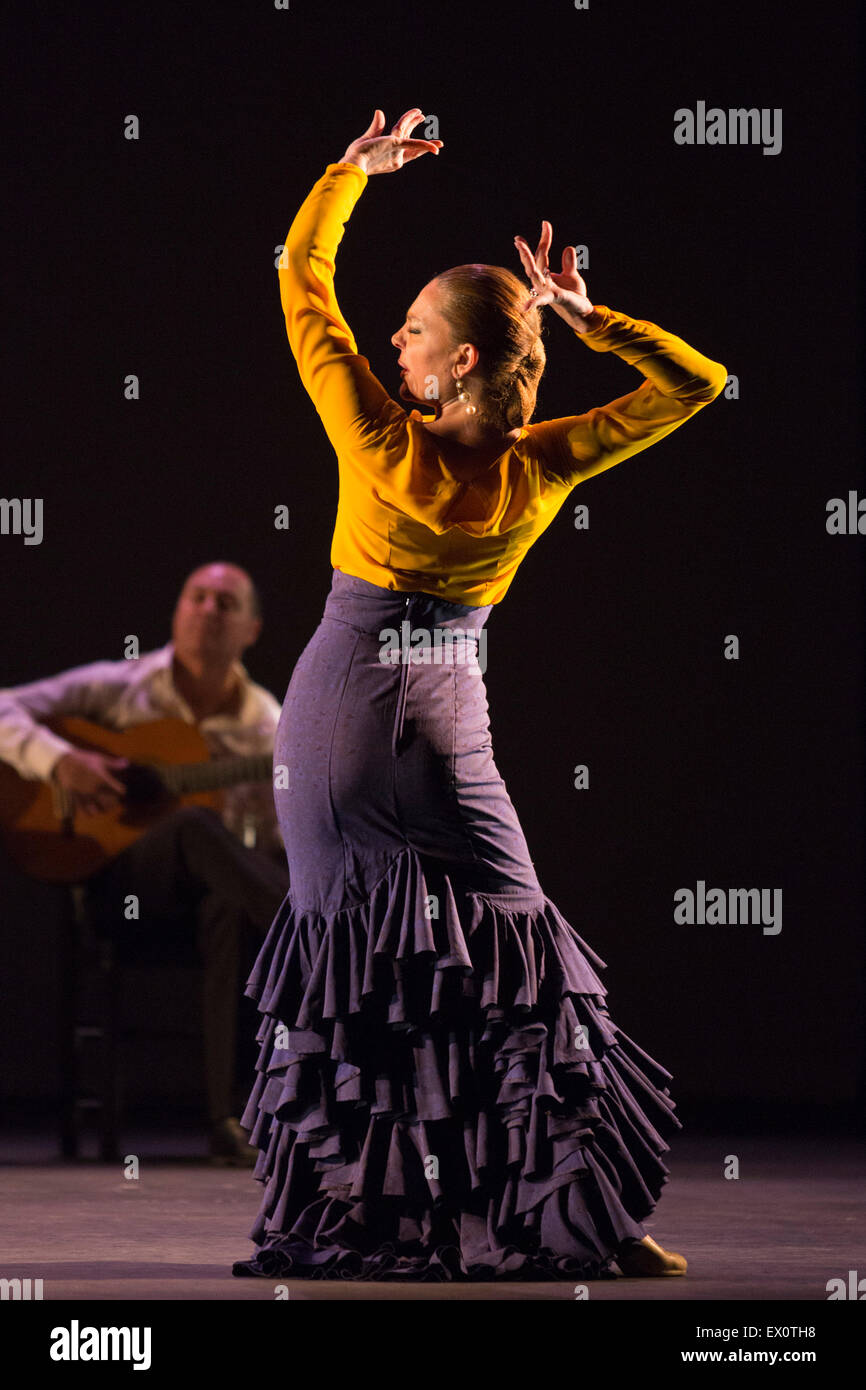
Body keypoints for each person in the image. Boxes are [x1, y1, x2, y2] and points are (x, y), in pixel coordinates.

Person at [231, 109, 727, 1281]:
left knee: (352, 960)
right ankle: (569, 1214)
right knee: (510, 948)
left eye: (411, 332)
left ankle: (359, 1213)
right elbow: (695, 384)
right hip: (447, 709)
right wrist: (588, 317)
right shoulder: (543, 463)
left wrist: (349, 172)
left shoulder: (372, 438)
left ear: (458, 361)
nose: (393, 344)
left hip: (339, 709)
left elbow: (303, 278)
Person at [0, 562, 291, 1164]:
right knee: (190, 824)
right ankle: (315, 938)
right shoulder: (119, 687)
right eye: (198, 596)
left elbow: (275, 840)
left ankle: (229, 1119)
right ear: (178, 610)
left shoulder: (270, 727)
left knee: (228, 900)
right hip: (118, 893)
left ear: (252, 629)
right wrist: (60, 762)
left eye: (227, 602)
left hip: (212, 905)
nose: (210, 609)